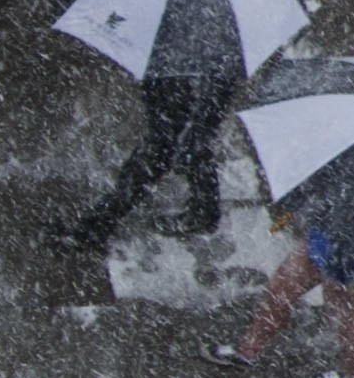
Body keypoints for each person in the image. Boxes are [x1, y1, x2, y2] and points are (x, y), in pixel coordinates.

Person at [206, 208, 354, 378]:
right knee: (278, 293)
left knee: (347, 319)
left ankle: (353, 376)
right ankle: (246, 351)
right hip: (322, 239)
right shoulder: (351, 184)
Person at [52, 73, 230, 249]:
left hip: (181, 71)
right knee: (170, 142)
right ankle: (97, 225)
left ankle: (97, 226)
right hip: (177, 72)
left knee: (174, 142)